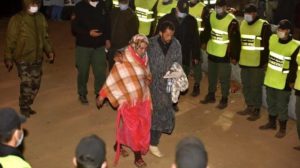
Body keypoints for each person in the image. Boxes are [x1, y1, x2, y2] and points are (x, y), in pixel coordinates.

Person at [96, 34, 152, 168]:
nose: (142, 51)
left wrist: (148, 79)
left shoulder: (145, 58)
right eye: (140, 48)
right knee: (135, 129)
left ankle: (118, 145)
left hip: (143, 98)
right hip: (128, 102)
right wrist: (102, 95)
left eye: (145, 48)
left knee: (140, 126)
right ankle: (137, 157)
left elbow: (147, 75)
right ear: (133, 46)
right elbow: (113, 78)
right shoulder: (123, 59)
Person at [3, 0, 55, 117]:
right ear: (26, 5)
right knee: (27, 82)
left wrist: (49, 51)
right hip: (22, 57)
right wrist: (8, 57)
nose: (34, 7)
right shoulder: (17, 19)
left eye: (36, 4)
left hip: (37, 56)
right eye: (32, 4)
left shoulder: (40, 18)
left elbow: (45, 37)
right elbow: (10, 39)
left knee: (36, 83)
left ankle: (28, 102)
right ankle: (24, 107)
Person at [155, 0, 201, 110]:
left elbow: (195, 39)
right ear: (176, 8)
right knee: (165, 79)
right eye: (181, 11)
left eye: (185, 12)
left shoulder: (191, 21)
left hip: (183, 56)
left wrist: (196, 55)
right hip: (166, 55)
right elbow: (156, 37)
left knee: (176, 80)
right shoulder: (165, 19)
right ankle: (163, 100)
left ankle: (173, 101)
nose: (183, 14)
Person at [259, 20, 300, 138]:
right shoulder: (272, 39)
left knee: (282, 106)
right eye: (279, 29)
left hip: (284, 81)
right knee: (270, 102)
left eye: (282, 30)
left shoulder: (295, 46)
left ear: (288, 31)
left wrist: (291, 81)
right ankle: (271, 123)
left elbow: (294, 66)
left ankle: (282, 128)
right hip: (270, 77)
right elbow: (267, 53)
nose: (279, 31)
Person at [148, 21, 182, 158]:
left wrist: (172, 78)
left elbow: (178, 64)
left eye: (171, 35)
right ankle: (153, 142)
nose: (169, 38)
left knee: (165, 111)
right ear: (160, 33)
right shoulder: (150, 43)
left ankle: (153, 139)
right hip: (152, 84)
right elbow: (135, 50)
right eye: (167, 35)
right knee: (155, 113)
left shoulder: (176, 44)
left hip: (168, 84)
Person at [200, 0, 240, 109]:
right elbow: (207, 31)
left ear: (225, 7)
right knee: (212, 75)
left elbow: (236, 40)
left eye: (220, 6)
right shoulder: (211, 16)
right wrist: (202, 42)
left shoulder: (232, 21)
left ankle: (224, 98)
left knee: (224, 77)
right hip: (212, 51)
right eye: (217, 6)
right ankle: (211, 94)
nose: (218, 8)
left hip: (224, 54)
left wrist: (234, 56)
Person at [237, 4, 272, 121]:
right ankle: (249, 106)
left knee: (256, 87)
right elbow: (239, 41)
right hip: (244, 60)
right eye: (245, 13)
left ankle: (256, 109)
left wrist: (265, 62)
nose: (246, 16)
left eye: (249, 13)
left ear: (255, 14)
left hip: (257, 63)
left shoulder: (264, 25)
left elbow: (268, 46)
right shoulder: (242, 23)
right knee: (246, 85)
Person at [72, 0, 111, 104]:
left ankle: (100, 94)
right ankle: (82, 93)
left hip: (99, 45)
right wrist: (88, 33)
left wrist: (107, 39)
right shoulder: (79, 6)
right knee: (83, 71)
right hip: (83, 46)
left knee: (100, 72)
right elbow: (74, 27)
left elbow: (107, 24)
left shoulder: (103, 5)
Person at [108, 0, 139, 70]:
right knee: (111, 69)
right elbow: (108, 27)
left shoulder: (132, 15)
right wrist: (107, 40)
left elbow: (133, 35)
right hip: (112, 46)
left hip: (123, 48)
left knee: (121, 70)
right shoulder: (113, 12)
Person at [188, 0, 210, 97]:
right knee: (183, 63)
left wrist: (203, 42)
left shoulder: (203, 8)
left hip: (197, 41)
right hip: (185, 39)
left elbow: (207, 27)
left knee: (196, 63)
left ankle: (197, 85)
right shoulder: (184, 4)